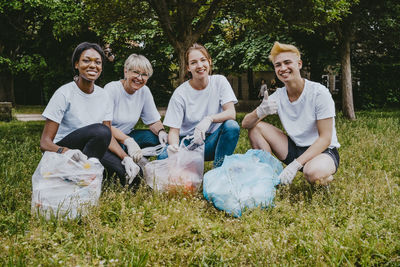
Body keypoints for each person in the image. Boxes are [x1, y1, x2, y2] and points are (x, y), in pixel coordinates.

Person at [40, 42, 139, 186]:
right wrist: (65, 151)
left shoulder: (104, 95)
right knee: (100, 130)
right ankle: (79, 179)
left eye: (98, 62)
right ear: (76, 65)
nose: (93, 65)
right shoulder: (64, 93)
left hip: (93, 149)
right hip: (65, 152)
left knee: (134, 177)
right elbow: (45, 143)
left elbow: (108, 136)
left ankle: (88, 174)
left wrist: (126, 158)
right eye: (86, 60)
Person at [242, 41, 340, 185]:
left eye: (287, 62)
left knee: (312, 173)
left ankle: (325, 176)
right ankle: (267, 177)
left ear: (299, 64)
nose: (283, 68)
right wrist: (260, 111)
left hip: (322, 151)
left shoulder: (318, 93)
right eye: (278, 65)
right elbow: (245, 123)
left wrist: (295, 165)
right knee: (255, 128)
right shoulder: (278, 96)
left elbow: (325, 138)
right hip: (294, 148)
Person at [159, 43, 240, 168]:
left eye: (203, 60)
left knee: (232, 126)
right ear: (188, 67)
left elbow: (231, 113)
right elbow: (174, 131)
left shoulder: (220, 81)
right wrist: (174, 148)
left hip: (211, 142)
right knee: (163, 157)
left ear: (209, 61)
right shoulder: (180, 93)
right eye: (193, 62)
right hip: (187, 144)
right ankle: (184, 164)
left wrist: (209, 119)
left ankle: (218, 172)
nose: (200, 65)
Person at [102, 54, 167, 183]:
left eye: (144, 74)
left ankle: (161, 169)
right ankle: (132, 160)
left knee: (162, 140)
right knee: (128, 175)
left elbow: (153, 120)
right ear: (126, 71)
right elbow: (105, 127)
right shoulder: (111, 89)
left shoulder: (144, 91)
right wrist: (128, 141)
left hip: (129, 135)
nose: (139, 78)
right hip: (109, 140)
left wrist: (162, 132)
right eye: (136, 72)